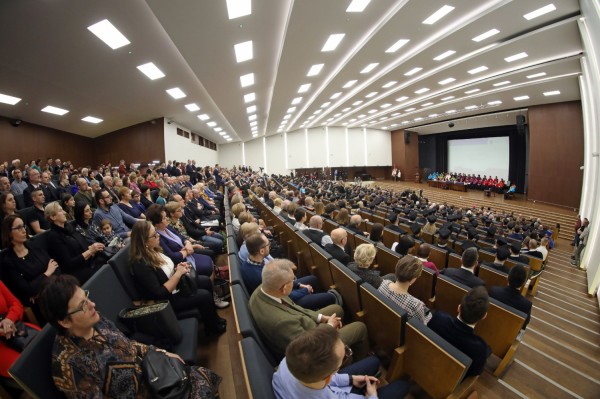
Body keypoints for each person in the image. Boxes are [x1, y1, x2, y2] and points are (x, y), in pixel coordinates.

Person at [38, 274, 222, 398]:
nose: (92, 304)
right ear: (64, 321)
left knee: (201, 377)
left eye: (86, 297)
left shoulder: (96, 320)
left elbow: (128, 344)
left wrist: (159, 351)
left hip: (154, 378)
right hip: (147, 391)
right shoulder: (69, 365)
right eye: (82, 305)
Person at [248, 259, 369, 360]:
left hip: (303, 325)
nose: (295, 281)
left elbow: (296, 309)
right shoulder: (281, 322)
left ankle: (343, 344)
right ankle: (356, 362)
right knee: (360, 327)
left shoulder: (266, 288)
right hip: (311, 348)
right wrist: (330, 326)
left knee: (337, 309)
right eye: (292, 280)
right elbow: (309, 346)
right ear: (284, 288)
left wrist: (321, 318)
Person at [129, 221, 228, 333]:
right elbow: (160, 293)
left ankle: (214, 319)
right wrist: (178, 273)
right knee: (204, 296)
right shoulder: (141, 264)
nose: (158, 236)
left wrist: (178, 267)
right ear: (144, 241)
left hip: (176, 286)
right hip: (167, 300)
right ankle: (212, 328)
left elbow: (167, 269)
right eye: (154, 235)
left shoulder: (154, 250)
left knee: (205, 281)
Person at [273, 327, 409, 399]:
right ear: (328, 376)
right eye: (344, 358)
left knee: (374, 361)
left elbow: (319, 381)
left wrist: (350, 379)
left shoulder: (290, 359)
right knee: (402, 386)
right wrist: (372, 395)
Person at [240, 233, 336, 309]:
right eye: (268, 244)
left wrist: (299, 285)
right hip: (285, 302)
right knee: (330, 297)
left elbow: (281, 282)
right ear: (261, 251)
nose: (269, 246)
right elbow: (285, 296)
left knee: (313, 279)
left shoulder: (252, 261)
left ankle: (315, 304)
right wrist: (305, 290)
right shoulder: (259, 276)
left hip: (284, 288)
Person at [0, 215, 60, 323]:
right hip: (40, 303)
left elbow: (55, 267)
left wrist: (38, 287)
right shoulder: (8, 261)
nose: (24, 230)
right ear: (9, 233)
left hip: (51, 289)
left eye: (23, 226)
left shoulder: (34, 246)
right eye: (18, 228)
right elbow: (27, 290)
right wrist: (47, 273)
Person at [428, 286, 491, 377]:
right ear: (484, 316)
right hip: (449, 381)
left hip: (426, 362)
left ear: (459, 308)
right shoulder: (480, 348)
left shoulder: (438, 317)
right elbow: (475, 372)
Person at [45, 201, 103, 284]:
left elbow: (83, 245)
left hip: (88, 262)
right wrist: (89, 252)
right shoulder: (53, 237)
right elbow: (68, 264)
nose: (65, 212)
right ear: (53, 217)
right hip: (77, 272)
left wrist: (92, 249)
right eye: (60, 211)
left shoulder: (69, 227)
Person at [0, 281, 42, 380]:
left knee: (49, 344)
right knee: (31, 367)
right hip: (2, 345)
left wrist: (10, 319)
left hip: (16, 327)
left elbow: (15, 303)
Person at [378, 256, 432, 324]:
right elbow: (421, 327)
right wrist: (429, 315)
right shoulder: (416, 305)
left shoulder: (384, 283)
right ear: (413, 279)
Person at [489, 265, 532, 329]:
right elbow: (524, 324)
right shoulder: (527, 305)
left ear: (507, 277)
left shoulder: (494, 291)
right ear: (524, 282)